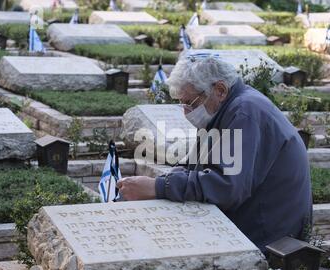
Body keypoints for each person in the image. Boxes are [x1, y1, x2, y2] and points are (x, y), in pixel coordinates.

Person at [117, 56, 312, 253]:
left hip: (267, 235)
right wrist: (168, 179)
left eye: (191, 102)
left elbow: (227, 187)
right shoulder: (224, 109)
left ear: (219, 90)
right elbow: (196, 165)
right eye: (182, 104)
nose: (187, 112)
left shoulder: (244, 112)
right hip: (252, 218)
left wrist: (158, 187)